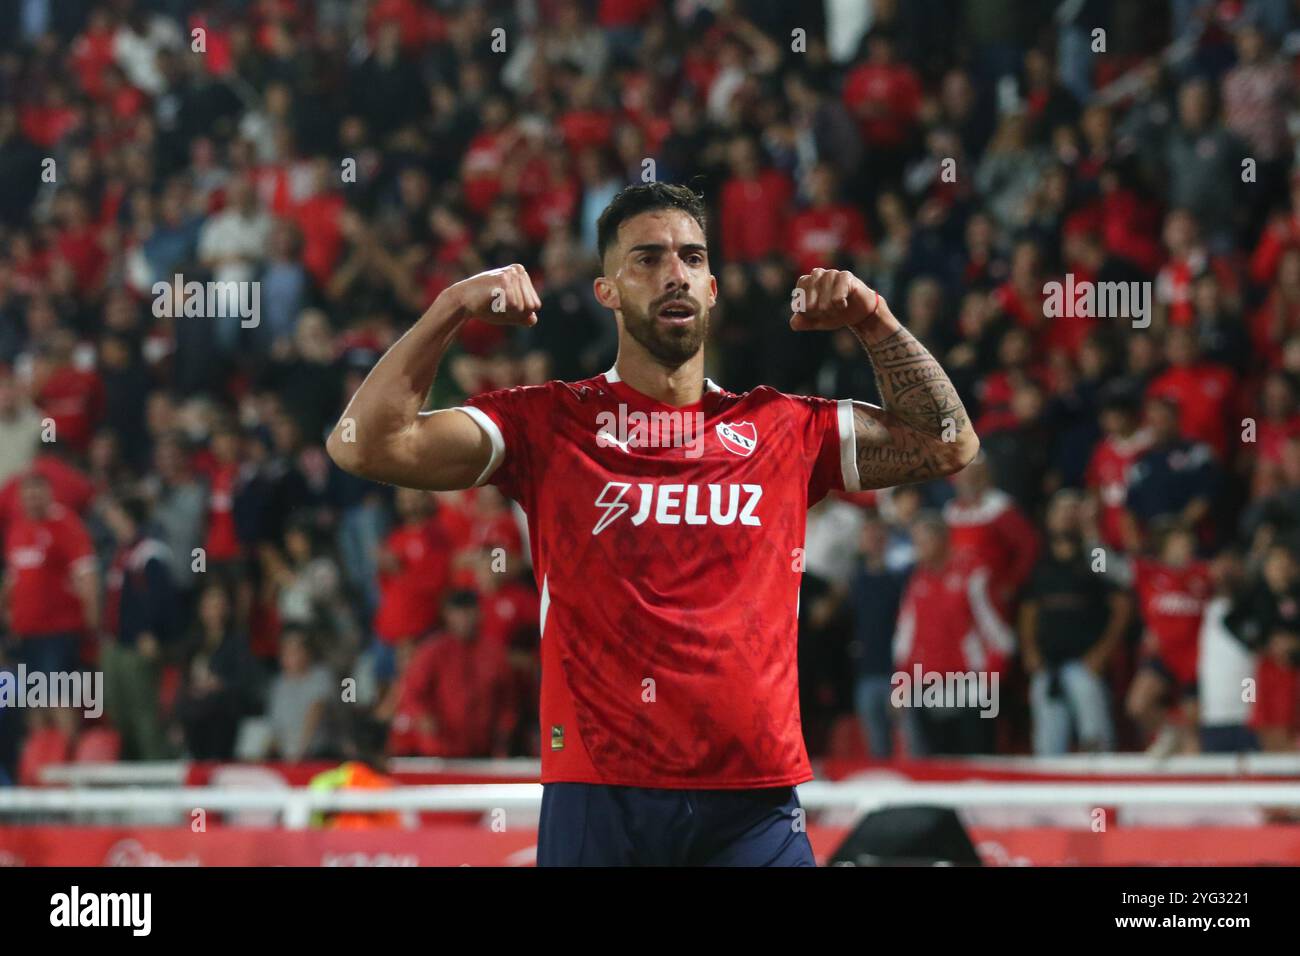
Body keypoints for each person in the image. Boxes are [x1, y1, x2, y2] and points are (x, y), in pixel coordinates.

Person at [327, 183, 980, 867]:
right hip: (603, 797)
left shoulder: (779, 427)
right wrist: (452, 306)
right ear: (607, 290)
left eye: (691, 258)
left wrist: (872, 318)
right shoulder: (549, 423)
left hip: (754, 802)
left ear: (713, 286)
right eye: (647, 258)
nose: (675, 273)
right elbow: (362, 444)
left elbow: (948, 443)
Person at [893, 512, 1014, 756]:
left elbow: (1000, 635)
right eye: (916, 542)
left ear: (942, 540)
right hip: (930, 687)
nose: (919, 549)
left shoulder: (974, 575)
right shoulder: (918, 580)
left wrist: (988, 682)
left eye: (924, 542)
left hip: (970, 686)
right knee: (939, 766)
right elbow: (906, 636)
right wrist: (901, 683)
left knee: (977, 763)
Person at [1021, 490, 1130, 754]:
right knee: (1047, 747)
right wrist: (1030, 651)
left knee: (1096, 741)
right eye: (1061, 510)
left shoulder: (1093, 557)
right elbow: (1029, 610)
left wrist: (1102, 653)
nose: (1067, 517)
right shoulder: (1040, 560)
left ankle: (1103, 793)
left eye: (1073, 510)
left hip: (1085, 665)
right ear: (1048, 519)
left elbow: (1122, 600)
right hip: (1048, 667)